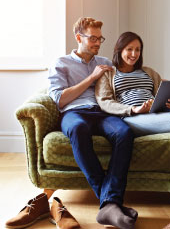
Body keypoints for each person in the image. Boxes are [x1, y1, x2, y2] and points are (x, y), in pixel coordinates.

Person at [48, 18, 137, 229]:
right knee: (78, 129)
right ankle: (111, 203)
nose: (98, 43)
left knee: (124, 132)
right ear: (79, 38)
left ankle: (109, 206)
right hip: (74, 113)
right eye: (93, 38)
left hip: (102, 112)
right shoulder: (61, 63)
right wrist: (91, 78)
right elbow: (59, 99)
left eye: (100, 38)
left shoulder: (105, 61)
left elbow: (122, 87)